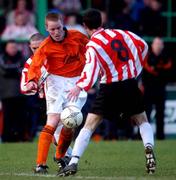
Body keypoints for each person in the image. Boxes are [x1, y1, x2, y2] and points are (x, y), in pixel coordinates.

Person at [58, 8, 156, 176]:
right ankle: (148, 148)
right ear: (101, 22)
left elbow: (90, 71)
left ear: (85, 26)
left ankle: (73, 162)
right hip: (130, 84)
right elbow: (143, 45)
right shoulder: (121, 33)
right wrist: (136, 68)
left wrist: (80, 86)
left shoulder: (93, 45)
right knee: (142, 119)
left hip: (109, 87)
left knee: (89, 125)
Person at [25, 12, 88, 173]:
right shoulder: (45, 45)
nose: (56, 32)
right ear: (47, 28)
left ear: (63, 24)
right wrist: (32, 80)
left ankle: (60, 155)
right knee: (52, 121)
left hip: (76, 82)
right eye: (52, 30)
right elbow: (36, 65)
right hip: (55, 82)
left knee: (70, 123)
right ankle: (40, 164)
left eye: (58, 28)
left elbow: (91, 50)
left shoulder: (77, 36)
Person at [20, 32, 72, 157]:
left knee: (62, 128)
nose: (37, 50)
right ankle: (68, 156)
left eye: (40, 47)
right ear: (29, 47)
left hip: (62, 97)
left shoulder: (56, 56)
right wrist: (32, 85)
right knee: (56, 131)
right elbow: (23, 87)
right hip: (43, 101)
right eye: (34, 48)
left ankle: (67, 156)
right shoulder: (30, 63)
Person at [142, 37, 172, 140]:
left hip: (160, 90)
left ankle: (160, 136)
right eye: (156, 44)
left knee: (160, 115)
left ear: (163, 46)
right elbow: (147, 72)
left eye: (160, 44)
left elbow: (167, 74)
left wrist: (156, 70)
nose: (158, 46)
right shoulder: (147, 57)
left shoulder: (166, 58)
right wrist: (158, 71)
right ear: (152, 45)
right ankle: (142, 137)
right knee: (145, 115)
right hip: (148, 90)